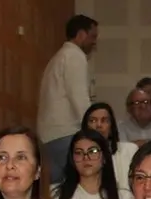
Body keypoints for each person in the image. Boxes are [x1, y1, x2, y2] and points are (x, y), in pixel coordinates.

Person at [38, 15, 99, 184]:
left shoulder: (57, 58)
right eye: (92, 36)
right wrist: (93, 131)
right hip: (67, 133)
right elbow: (79, 98)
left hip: (49, 135)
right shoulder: (75, 56)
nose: (94, 42)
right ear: (81, 34)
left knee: (55, 189)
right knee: (72, 187)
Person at [56, 129, 138, 199]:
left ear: (104, 157)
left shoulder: (123, 198)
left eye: (93, 151)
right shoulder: (56, 195)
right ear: (72, 159)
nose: (86, 158)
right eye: (79, 153)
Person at [82, 102, 140, 193]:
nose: (99, 125)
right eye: (93, 121)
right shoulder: (78, 155)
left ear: (111, 128)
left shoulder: (130, 150)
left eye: (104, 120)